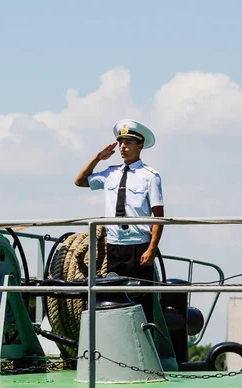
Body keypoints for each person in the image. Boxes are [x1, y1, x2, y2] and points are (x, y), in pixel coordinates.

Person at [74, 119, 164, 322]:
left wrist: (151, 249)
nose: (123, 147)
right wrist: (98, 157)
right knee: (114, 301)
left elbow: (159, 217)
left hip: (138, 246)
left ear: (140, 146)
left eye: (128, 142)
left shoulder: (150, 176)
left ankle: (146, 340)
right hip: (114, 246)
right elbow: (79, 181)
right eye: (121, 142)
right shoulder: (110, 174)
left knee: (141, 301)